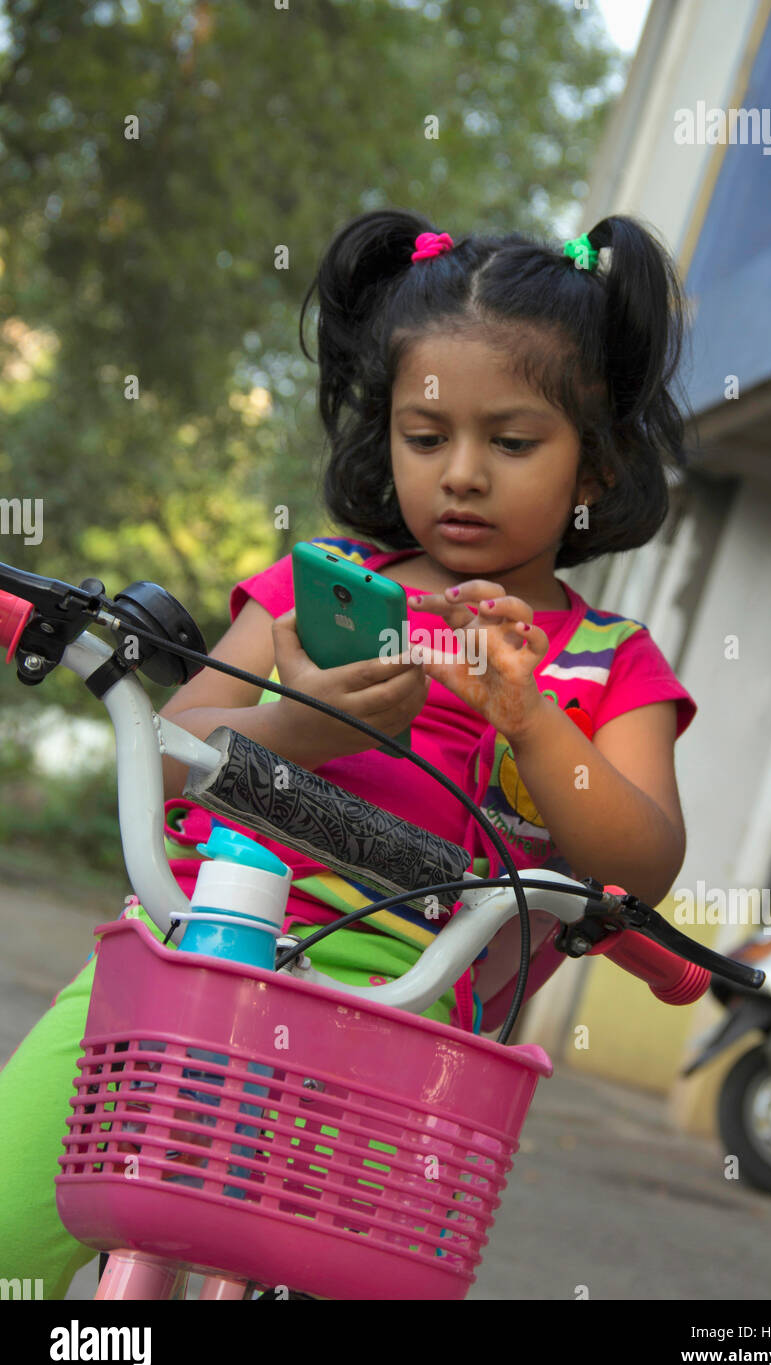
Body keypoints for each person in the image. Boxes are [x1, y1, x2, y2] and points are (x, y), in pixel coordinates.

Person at [0, 209, 697, 1298]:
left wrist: (527, 715)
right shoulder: (310, 588)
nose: (460, 474)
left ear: (593, 463)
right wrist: (293, 729)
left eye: (510, 443)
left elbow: (640, 862)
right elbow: (179, 753)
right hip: (195, 949)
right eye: (426, 439)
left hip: (408, 1023)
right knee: (8, 1234)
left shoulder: (603, 662)